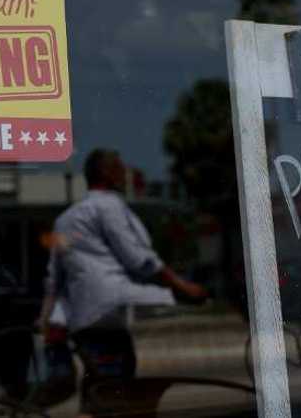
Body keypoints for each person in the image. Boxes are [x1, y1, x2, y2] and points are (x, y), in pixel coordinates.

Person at [38, 148, 206, 416]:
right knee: (118, 393)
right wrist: (183, 287)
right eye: (119, 166)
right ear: (105, 172)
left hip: (81, 320)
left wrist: (49, 321)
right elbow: (138, 258)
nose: (124, 172)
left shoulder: (64, 220)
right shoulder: (109, 206)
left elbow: (54, 279)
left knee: (99, 389)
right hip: (107, 314)